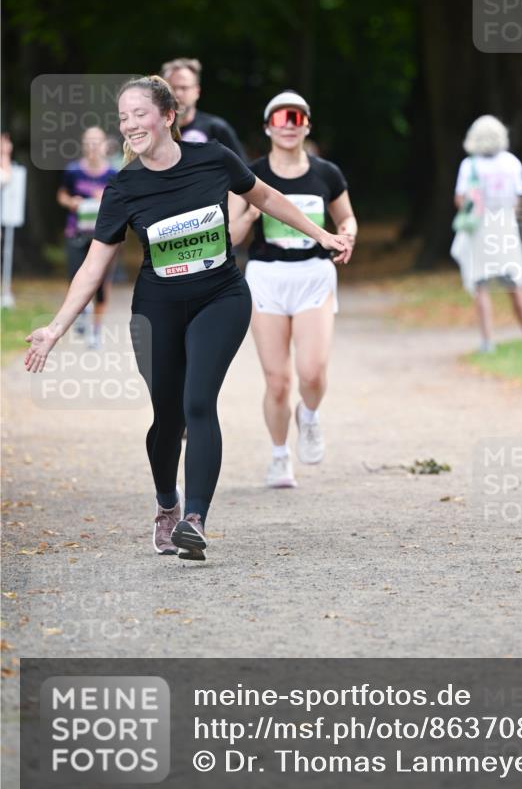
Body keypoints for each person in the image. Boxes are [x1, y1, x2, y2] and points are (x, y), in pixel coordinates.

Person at [24, 76, 351, 561]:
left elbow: (266, 197)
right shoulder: (124, 187)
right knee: (168, 416)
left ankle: (194, 519)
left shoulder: (213, 158)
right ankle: (166, 504)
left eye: (139, 113)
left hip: (220, 296)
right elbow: (94, 266)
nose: (130, 124)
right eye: (123, 117)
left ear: (169, 116)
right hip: (157, 309)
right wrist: (55, 328)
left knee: (199, 403)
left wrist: (321, 234)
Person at [229, 90, 357, 489]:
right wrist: (250, 215)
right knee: (278, 380)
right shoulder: (248, 174)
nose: (289, 125)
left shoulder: (326, 173)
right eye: (281, 118)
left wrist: (347, 236)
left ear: (307, 126)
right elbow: (230, 237)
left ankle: (311, 416)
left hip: (314, 276)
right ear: (268, 126)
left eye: (297, 118)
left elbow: (347, 219)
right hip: (267, 277)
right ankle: (279, 455)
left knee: (312, 373)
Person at [450, 115, 522, 354]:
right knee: (515, 285)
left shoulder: (470, 165)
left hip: (480, 230)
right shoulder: (511, 163)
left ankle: (488, 341)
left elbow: (460, 199)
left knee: (480, 285)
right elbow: (518, 200)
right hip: (505, 227)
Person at [56, 126, 117, 348]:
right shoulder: (73, 171)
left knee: (101, 285)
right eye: (88, 142)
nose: (92, 146)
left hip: (103, 236)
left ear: (105, 146)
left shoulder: (113, 174)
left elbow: (122, 205)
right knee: (75, 277)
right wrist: (71, 202)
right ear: (83, 145)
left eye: (97, 142)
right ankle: (81, 310)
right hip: (76, 231)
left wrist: (107, 199)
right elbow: (62, 194)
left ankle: (96, 330)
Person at [160, 57, 246, 161]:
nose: (178, 93)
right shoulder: (152, 129)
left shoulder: (217, 129)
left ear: (197, 91)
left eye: (184, 88)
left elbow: (243, 172)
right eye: (172, 88)